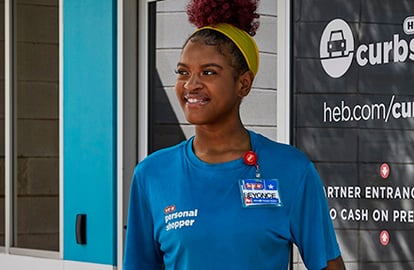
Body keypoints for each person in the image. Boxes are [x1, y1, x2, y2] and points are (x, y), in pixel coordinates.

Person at [123, 0, 345, 269]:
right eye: (183, 72)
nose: (191, 84)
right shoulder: (152, 175)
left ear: (243, 83)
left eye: (208, 72)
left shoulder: (292, 171)